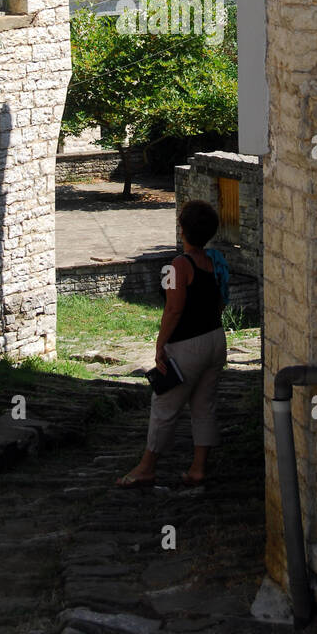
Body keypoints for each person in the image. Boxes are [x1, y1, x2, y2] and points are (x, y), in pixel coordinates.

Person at [117, 200, 227, 488]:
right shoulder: (212, 261)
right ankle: (198, 468)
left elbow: (174, 309)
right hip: (215, 338)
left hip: (187, 345)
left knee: (164, 405)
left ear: (183, 230)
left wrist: (160, 345)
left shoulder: (180, 264)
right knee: (204, 405)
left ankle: (147, 467)